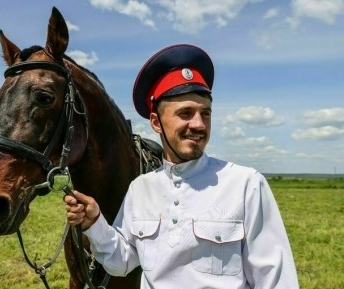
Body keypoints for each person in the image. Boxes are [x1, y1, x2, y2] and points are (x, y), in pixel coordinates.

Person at [64, 44, 299, 288]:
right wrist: (94, 224)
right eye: (185, 113)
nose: (198, 124)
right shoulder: (141, 188)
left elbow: (276, 280)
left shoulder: (246, 185)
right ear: (156, 122)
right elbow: (121, 261)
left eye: (205, 113)